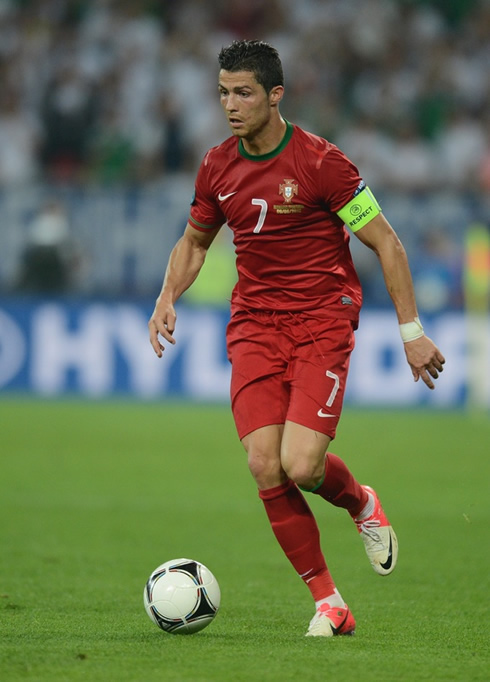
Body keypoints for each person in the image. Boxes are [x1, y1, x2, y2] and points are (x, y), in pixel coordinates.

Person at [148, 40, 446, 638]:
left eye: (244, 93)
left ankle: (361, 502)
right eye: (223, 93)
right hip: (255, 324)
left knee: (302, 465)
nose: (230, 105)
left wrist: (411, 331)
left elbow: (387, 242)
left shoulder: (321, 162)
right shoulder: (216, 165)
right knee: (264, 464)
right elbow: (196, 241)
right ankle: (330, 605)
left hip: (321, 320)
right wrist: (166, 296)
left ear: (275, 95)